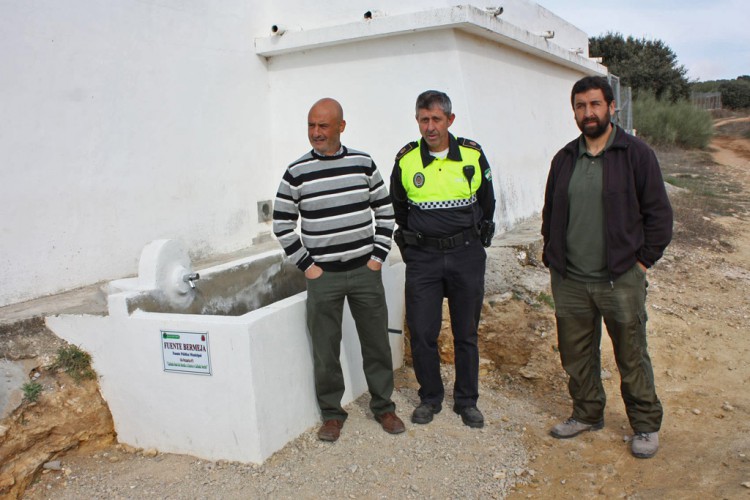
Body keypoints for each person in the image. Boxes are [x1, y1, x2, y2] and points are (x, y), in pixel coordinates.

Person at [541, 76, 673, 458]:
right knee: (576, 354)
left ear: (611, 107)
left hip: (621, 278)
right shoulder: (564, 158)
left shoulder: (636, 154)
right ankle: (586, 413)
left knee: (631, 354)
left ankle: (645, 424)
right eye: (581, 106)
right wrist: (553, 255)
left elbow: (659, 215)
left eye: (595, 104)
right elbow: (551, 213)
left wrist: (642, 262)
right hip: (571, 280)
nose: (588, 113)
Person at [272, 97, 405, 442]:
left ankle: (384, 408)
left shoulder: (363, 163)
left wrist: (377, 257)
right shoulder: (296, 172)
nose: (316, 133)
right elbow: (282, 223)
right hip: (323, 277)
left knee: (376, 342)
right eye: (311, 126)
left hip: (365, 271)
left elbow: (386, 213)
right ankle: (332, 414)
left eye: (323, 126)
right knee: (325, 347)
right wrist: (309, 267)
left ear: (341, 127)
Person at [390, 90, 496, 429]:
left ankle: (467, 401)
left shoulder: (472, 155)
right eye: (424, 119)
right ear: (417, 121)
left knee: (466, 333)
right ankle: (430, 397)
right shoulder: (406, 160)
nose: (430, 127)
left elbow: (487, 202)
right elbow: (400, 209)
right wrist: (415, 250)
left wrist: (474, 240)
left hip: (466, 254)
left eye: (437, 119)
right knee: (422, 331)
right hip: (424, 258)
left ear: (450, 120)